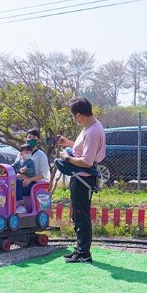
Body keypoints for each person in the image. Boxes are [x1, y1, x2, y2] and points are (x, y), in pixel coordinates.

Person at [55, 98, 106, 264]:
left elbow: (86, 161)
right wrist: (69, 143)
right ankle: (79, 249)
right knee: (77, 215)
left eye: (74, 117)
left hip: (83, 178)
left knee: (81, 215)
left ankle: (84, 253)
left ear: (79, 115)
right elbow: (84, 149)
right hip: (79, 177)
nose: (74, 120)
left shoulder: (92, 131)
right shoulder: (89, 127)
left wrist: (67, 158)